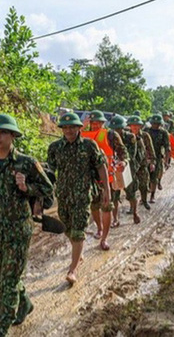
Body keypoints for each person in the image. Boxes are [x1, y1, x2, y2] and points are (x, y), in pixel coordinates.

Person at [0, 114, 54, 336]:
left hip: (18, 229)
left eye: (2, 132)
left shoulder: (27, 163)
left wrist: (26, 188)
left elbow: (48, 191)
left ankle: (2, 325)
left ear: (13, 136)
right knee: (2, 277)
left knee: (8, 281)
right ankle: (25, 303)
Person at [47, 112, 110, 285]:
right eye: (65, 127)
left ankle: (73, 269)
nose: (68, 130)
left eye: (72, 127)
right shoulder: (54, 148)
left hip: (83, 195)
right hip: (63, 195)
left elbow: (101, 166)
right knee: (68, 228)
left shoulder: (89, 146)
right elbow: (50, 172)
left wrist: (107, 190)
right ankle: (78, 254)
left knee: (78, 230)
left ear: (79, 128)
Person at [81, 110, 127, 250]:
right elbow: (67, 140)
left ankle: (104, 238)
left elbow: (123, 152)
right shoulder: (82, 135)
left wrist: (123, 162)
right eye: (93, 123)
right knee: (94, 206)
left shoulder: (111, 135)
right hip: (90, 178)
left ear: (103, 123)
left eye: (98, 123)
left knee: (106, 206)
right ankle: (99, 228)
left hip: (107, 177)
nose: (95, 125)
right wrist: (82, 127)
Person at [106, 116, 138, 225]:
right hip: (114, 168)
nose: (116, 131)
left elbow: (131, 155)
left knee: (130, 194)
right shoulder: (109, 137)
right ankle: (115, 219)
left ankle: (135, 213)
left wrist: (123, 161)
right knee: (114, 195)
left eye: (118, 129)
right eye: (114, 129)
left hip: (127, 167)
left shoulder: (130, 137)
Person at [128, 116, 155, 211]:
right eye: (133, 125)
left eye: (137, 125)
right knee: (131, 187)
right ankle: (132, 207)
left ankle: (144, 201)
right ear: (129, 126)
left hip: (142, 164)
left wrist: (152, 162)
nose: (135, 127)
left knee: (143, 185)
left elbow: (150, 149)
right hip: (130, 165)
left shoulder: (145, 135)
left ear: (140, 126)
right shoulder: (126, 136)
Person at [145, 114, 171, 203]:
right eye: (154, 123)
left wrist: (167, 161)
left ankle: (152, 195)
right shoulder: (146, 131)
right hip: (146, 157)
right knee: (144, 178)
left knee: (154, 178)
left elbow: (167, 148)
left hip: (157, 158)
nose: (155, 125)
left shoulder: (163, 133)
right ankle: (143, 196)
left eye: (157, 123)